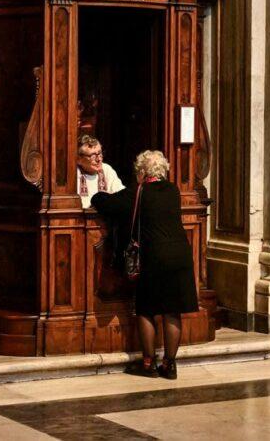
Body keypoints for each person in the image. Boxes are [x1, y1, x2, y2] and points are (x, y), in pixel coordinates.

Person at [92, 150, 198, 379]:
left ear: (141, 172)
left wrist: (97, 194)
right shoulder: (173, 191)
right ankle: (170, 365)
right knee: (172, 310)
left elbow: (107, 204)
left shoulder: (138, 192)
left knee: (147, 309)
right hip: (180, 256)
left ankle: (149, 364)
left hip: (154, 258)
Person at [76, 134, 124, 208]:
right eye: (93, 156)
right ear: (79, 159)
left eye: (100, 153)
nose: (99, 159)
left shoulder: (107, 169)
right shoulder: (74, 174)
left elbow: (120, 195)